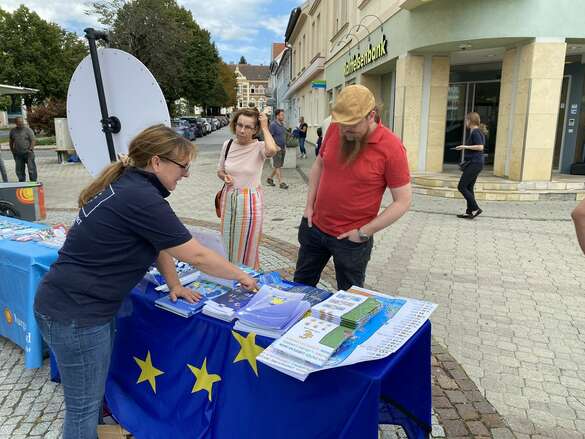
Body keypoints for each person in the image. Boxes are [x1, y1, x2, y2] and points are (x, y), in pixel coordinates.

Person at [33, 125, 258, 439]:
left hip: (69, 307)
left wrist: (174, 284)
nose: (187, 174)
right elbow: (197, 255)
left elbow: (159, 242)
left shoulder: (132, 187)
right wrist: (242, 275)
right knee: (82, 409)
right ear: (156, 162)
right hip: (76, 315)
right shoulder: (140, 197)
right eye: (183, 166)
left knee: (90, 397)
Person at [294, 84, 412, 290]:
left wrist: (364, 232)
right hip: (315, 227)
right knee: (299, 288)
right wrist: (308, 207)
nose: (345, 131)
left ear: (371, 115)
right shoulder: (335, 128)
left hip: (352, 239)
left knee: (349, 299)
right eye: (342, 125)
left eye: (352, 126)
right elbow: (319, 165)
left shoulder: (392, 147)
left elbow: (403, 201)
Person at [217, 108, 279, 269]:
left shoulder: (259, 147)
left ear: (255, 129)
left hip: (250, 201)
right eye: (239, 125)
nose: (242, 130)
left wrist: (265, 127)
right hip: (229, 198)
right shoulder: (228, 145)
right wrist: (225, 176)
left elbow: (272, 150)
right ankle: (229, 275)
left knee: (248, 245)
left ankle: (248, 280)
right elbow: (220, 170)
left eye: (248, 127)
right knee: (227, 241)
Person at [454, 112, 485, 219]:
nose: (465, 122)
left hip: (475, 163)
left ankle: (475, 208)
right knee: (469, 187)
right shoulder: (476, 131)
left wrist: (465, 146)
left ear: (470, 120)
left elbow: (480, 147)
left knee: (461, 186)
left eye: (466, 120)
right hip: (476, 163)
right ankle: (469, 212)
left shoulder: (476, 132)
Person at [9, 116, 37, 182]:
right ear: (16, 123)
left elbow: (33, 140)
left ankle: (33, 181)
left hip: (28, 153)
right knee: (19, 169)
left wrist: (30, 149)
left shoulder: (28, 130)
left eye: (22, 122)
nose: (21, 124)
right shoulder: (13, 131)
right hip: (18, 154)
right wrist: (12, 150)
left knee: (31, 169)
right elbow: (11, 141)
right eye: (19, 122)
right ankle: (22, 182)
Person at [266, 109, 289, 189]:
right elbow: (269, 137)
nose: (283, 116)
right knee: (278, 165)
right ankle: (281, 183)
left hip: (282, 147)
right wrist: (275, 146)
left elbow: (283, 135)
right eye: (281, 115)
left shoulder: (282, 124)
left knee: (278, 165)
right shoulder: (273, 125)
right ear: (277, 116)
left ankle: (270, 178)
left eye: (283, 115)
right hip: (276, 148)